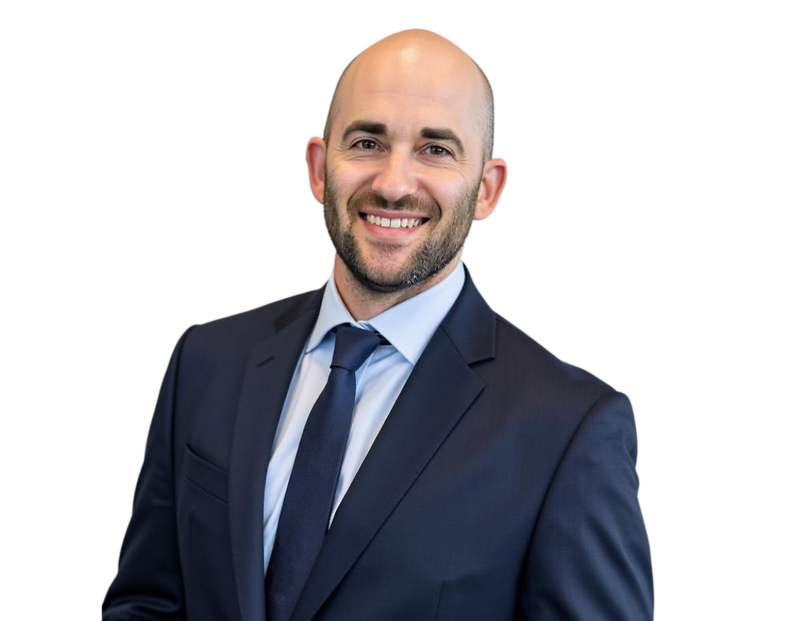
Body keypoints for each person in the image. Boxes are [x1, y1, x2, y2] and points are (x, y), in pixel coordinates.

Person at [100, 27, 655, 621]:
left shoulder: (571, 428)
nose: (393, 184)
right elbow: (146, 604)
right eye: (367, 142)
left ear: (488, 189)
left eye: (435, 149)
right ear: (317, 168)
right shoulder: (206, 359)